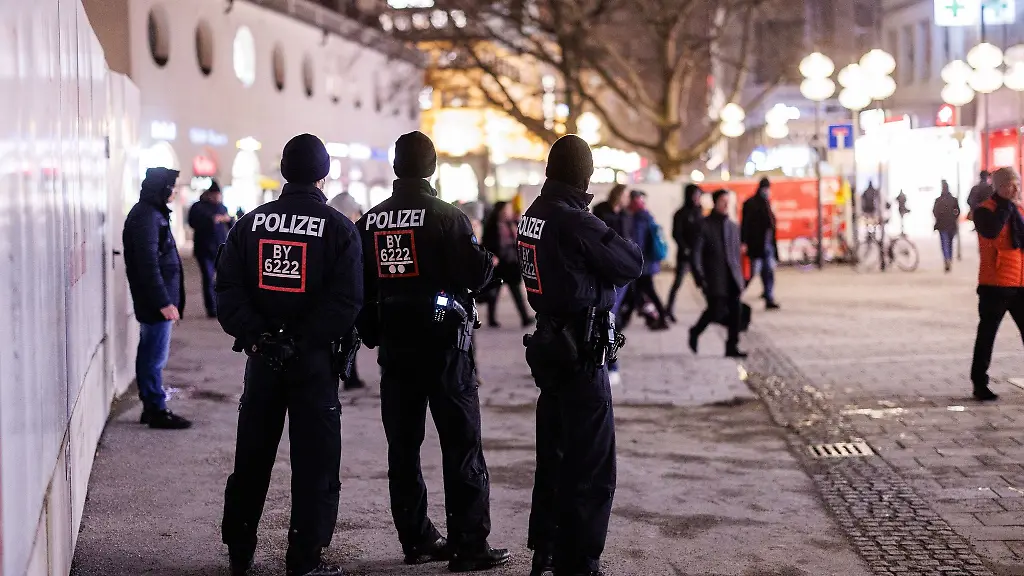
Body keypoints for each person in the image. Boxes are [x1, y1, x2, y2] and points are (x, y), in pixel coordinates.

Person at [355, 131, 509, 572]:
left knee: (402, 449)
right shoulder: (448, 217)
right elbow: (476, 276)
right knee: (461, 446)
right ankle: (468, 546)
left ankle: (417, 538)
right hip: (445, 350)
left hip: (396, 350)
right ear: (432, 166)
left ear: (396, 167)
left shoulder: (373, 220)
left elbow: (360, 284)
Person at [215, 134, 364, 576]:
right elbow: (346, 302)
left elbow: (227, 292)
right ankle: (304, 558)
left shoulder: (248, 225)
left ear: (283, 172)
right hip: (314, 362)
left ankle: (239, 553)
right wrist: (301, 338)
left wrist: (261, 336)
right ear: (323, 175)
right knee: (316, 463)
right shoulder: (339, 229)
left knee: (252, 459)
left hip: (262, 360)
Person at [519, 135, 643, 576]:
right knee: (591, 461)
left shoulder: (533, 214)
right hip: (580, 350)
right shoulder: (573, 219)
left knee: (552, 453)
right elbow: (629, 262)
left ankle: (547, 549)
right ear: (584, 174)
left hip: (550, 346)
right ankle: (581, 559)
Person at [122, 167, 192, 430]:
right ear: (161, 189)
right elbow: (148, 264)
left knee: (152, 352)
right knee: (154, 355)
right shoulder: (147, 217)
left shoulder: (152, 215)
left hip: (155, 299)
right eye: (172, 187)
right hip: (154, 302)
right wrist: (163, 301)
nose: (175, 191)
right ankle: (155, 408)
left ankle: (152, 405)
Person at [969, 167, 1024, 402]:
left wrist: (1013, 206)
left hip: (1020, 283)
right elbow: (991, 232)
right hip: (995, 284)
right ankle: (979, 383)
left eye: (1017, 184)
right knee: (987, 335)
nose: (1014, 188)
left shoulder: (1020, 210)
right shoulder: (985, 211)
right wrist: (1005, 206)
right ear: (999, 186)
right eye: (1009, 184)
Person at [690, 189, 747, 359]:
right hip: (714, 277)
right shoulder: (704, 224)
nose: (726, 204)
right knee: (715, 311)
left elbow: (736, 254)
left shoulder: (733, 226)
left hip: (732, 277)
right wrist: (699, 276)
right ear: (715, 202)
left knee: (736, 312)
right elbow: (696, 253)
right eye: (723, 201)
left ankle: (732, 346)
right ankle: (695, 331)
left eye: (727, 201)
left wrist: (741, 277)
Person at [327, 189, 368, 391]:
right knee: (348, 334)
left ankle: (346, 373)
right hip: (346, 294)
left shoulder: (329, 225)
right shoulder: (349, 230)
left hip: (331, 295)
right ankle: (348, 375)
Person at [592, 184, 632, 386]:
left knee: (611, 315)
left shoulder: (626, 215)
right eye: (625, 195)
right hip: (603, 270)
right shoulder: (600, 211)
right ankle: (608, 362)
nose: (627, 198)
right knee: (608, 316)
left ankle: (609, 361)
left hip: (620, 272)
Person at [618, 189, 669, 330]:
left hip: (644, 264)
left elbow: (638, 243)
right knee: (637, 293)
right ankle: (652, 318)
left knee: (643, 292)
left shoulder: (639, 217)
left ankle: (661, 317)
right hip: (646, 263)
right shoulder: (645, 215)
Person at [481, 201, 533, 328]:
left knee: (516, 293)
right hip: (499, 264)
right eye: (505, 210)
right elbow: (486, 244)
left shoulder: (514, 224)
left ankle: (525, 318)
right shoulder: (492, 226)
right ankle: (491, 319)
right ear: (498, 212)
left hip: (512, 263)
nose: (507, 212)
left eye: (508, 209)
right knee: (494, 292)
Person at [188, 180, 232, 318]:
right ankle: (211, 308)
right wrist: (211, 219)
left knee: (223, 279)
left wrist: (228, 219)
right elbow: (192, 222)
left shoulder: (222, 207)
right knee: (208, 278)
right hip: (204, 249)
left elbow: (231, 225)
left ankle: (222, 306)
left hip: (220, 248)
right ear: (210, 195)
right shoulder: (198, 207)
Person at [666, 184, 705, 321]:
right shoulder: (681, 213)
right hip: (685, 255)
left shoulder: (699, 211)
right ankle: (668, 310)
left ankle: (714, 308)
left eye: (699, 195)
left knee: (702, 282)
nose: (698, 198)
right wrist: (685, 248)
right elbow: (676, 233)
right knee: (677, 282)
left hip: (698, 255)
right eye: (696, 195)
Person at [741, 178, 780, 310]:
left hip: (767, 246)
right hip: (756, 245)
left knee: (768, 272)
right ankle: (736, 294)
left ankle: (769, 297)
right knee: (751, 273)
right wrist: (744, 242)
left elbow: (771, 226)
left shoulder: (766, 203)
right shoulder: (751, 203)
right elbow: (745, 225)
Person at [933, 180, 961, 273]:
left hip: (942, 225)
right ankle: (949, 258)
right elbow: (958, 211)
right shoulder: (953, 199)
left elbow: (935, 212)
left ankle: (946, 258)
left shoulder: (938, 200)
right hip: (952, 225)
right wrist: (954, 217)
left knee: (944, 243)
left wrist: (938, 219)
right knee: (950, 243)